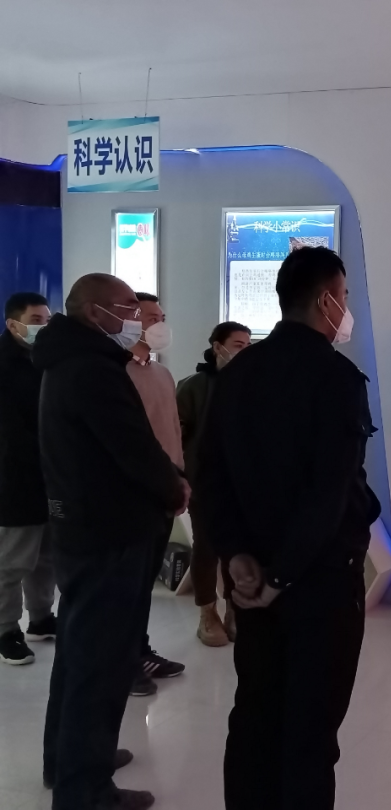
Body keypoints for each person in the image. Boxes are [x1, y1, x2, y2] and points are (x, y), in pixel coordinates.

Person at [197, 247, 378, 810]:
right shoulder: (337, 378)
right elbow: (329, 495)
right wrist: (283, 576)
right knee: (310, 732)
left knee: (254, 716)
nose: (346, 307)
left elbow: (210, 475)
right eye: (343, 296)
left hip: (251, 582)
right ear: (325, 300)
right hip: (319, 582)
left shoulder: (238, 372)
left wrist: (236, 556)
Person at [36, 274, 188, 810]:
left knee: (78, 653)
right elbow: (133, 447)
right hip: (109, 531)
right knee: (98, 661)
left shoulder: (67, 362)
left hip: (83, 526)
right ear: (95, 311)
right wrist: (173, 487)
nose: (136, 318)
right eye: (127, 308)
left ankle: (67, 761)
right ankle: (85, 787)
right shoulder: (93, 370)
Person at [125, 292, 186, 696]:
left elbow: (172, 432)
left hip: (166, 488)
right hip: (134, 494)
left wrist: (179, 477)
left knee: (144, 581)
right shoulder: (116, 373)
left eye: (161, 316)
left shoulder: (162, 373)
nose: (159, 324)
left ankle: (139, 650)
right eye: (150, 317)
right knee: (126, 584)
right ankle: (123, 662)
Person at [176, 321, 252, 647]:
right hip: (204, 484)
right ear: (217, 347)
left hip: (242, 486)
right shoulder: (193, 387)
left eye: (249, 345)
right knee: (206, 548)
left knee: (238, 550)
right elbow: (177, 435)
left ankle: (236, 609)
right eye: (238, 345)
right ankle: (207, 613)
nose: (245, 351)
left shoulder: (254, 385)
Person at [0, 293, 55, 665]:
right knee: (12, 561)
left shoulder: (46, 359)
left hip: (52, 476)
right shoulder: (4, 365)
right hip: (15, 478)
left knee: (47, 556)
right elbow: (10, 433)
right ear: (13, 324)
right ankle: (6, 630)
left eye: (48, 320)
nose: (43, 327)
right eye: (36, 320)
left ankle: (41, 618)